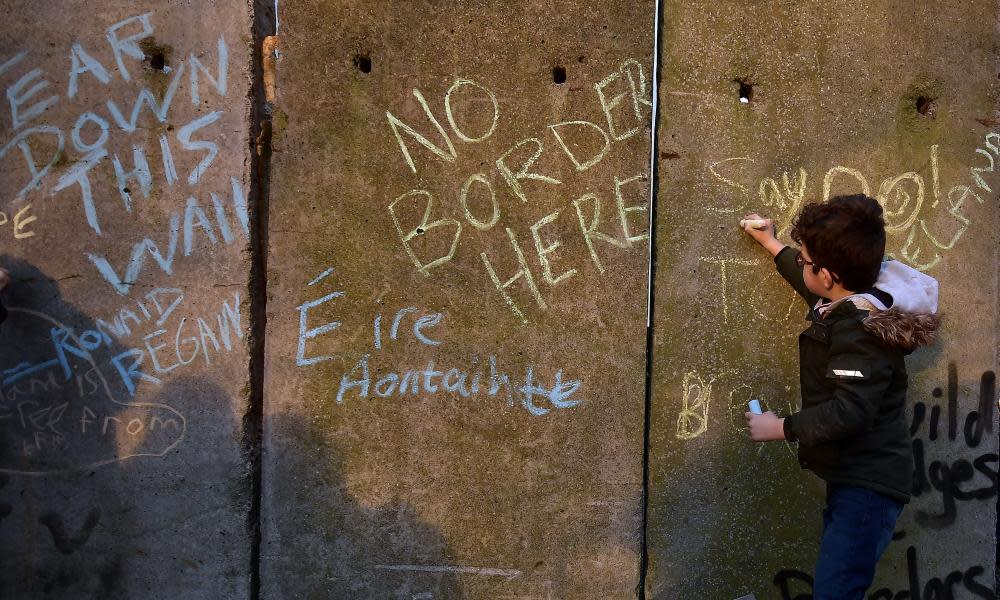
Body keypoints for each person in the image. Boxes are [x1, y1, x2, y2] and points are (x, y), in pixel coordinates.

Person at [741, 194, 940, 600]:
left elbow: (851, 411)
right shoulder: (858, 298)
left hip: (867, 487)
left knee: (836, 593)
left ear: (829, 276)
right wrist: (771, 244)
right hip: (856, 478)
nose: (802, 264)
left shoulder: (860, 332)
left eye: (806, 259)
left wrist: (781, 427)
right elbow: (810, 282)